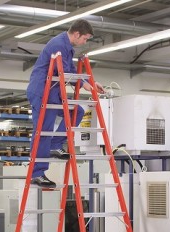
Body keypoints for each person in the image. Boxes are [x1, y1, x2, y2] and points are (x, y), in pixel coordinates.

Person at [26, 19, 105, 188]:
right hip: (42, 92)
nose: (85, 42)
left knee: (77, 111)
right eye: (85, 38)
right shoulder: (59, 45)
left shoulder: (67, 47)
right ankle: (36, 173)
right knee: (43, 131)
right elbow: (66, 73)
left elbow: (71, 71)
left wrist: (91, 83)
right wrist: (85, 84)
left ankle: (55, 145)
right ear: (76, 34)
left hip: (53, 92)